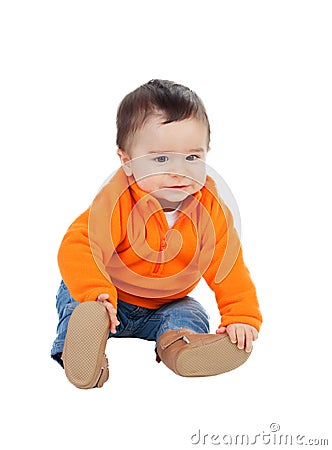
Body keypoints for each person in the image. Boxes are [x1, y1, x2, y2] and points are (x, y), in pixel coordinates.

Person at [51, 79, 262, 389]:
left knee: (190, 311)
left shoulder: (209, 208)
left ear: (207, 153)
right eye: (161, 158)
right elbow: (78, 245)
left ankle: (179, 347)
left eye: (192, 157)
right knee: (77, 302)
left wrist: (241, 315)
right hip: (108, 299)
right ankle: (82, 356)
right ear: (128, 162)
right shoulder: (116, 201)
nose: (180, 170)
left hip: (164, 304)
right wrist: (96, 292)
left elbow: (227, 265)